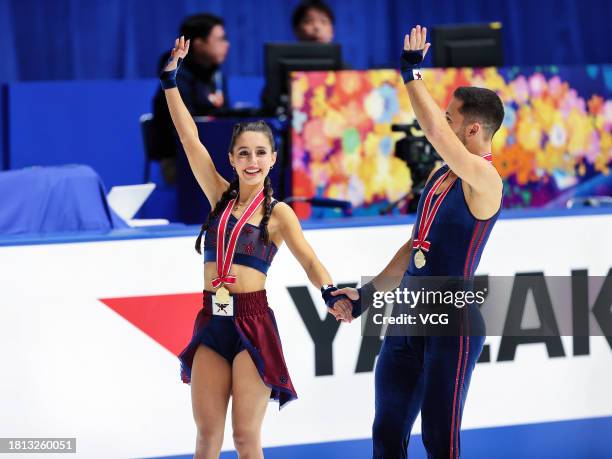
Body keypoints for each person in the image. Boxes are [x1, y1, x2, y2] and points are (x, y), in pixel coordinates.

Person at [160, 36, 353, 459]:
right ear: (230, 158)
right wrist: (171, 82)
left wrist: (329, 292)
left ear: (272, 158)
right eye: (243, 152)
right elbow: (190, 138)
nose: (251, 159)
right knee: (206, 438)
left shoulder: (279, 213)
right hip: (211, 319)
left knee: (246, 438)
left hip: (253, 322)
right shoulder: (218, 196)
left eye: (260, 153)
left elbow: (309, 260)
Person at [333, 25, 505, 458]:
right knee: (387, 435)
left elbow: (434, 132)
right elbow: (416, 248)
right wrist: (367, 294)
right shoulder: (440, 176)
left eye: (451, 119)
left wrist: (412, 75)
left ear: (473, 130)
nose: (442, 124)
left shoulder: (485, 180)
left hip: (453, 320)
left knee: (439, 442)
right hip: (409, 313)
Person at [151, 13, 229, 184]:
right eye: (220, 39)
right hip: (180, 159)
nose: (227, 44)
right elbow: (182, 125)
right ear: (200, 45)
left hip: (216, 152)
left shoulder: (216, 75)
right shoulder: (174, 76)